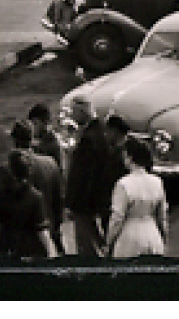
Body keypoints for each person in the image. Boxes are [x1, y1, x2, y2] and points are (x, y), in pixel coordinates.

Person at [0, 120, 66, 256]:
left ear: (14, 140)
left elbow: (0, 207)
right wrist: (55, 229)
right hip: (47, 236)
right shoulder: (50, 163)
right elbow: (59, 201)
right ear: (32, 138)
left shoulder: (6, 170)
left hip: (17, 242)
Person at [63, 95, 117, 256]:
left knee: (86, 244)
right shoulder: (100, 131)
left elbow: (82, 175)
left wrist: (73, 202)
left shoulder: (88, 139)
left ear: (82, 111)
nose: (72, 116)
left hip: (84, 203)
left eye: (73, 111)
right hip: (99, 198)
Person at [106, 136, 169, 258]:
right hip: (153, 235)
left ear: (130, 158)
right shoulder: (157, 182)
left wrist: (109, 241)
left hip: (129, 239)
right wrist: (163, 238)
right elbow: (162, 217)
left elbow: (117, 219)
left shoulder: (123, 184)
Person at [0, 150, 56, 258]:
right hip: (30, 251)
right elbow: (42, 232)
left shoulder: (0, 194)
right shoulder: (34, 196)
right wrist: (52, 254)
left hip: (6, 248)